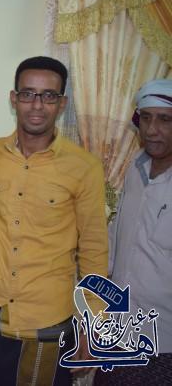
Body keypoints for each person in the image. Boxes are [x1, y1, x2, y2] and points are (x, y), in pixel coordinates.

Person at [0, 56, 108, 385]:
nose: (37, 105)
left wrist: (93, 324)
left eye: (48, 96)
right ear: (14, 99)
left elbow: (94, 249)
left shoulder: (84, 167)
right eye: (28, 94)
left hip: (47, 317)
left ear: (62, 103)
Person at [94, 79, 172, 384]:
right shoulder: (135, 168)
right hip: (119, 329)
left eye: (164, 120)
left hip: (164, 342)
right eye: (146, 118)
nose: (152, 130)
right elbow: (117, 238)